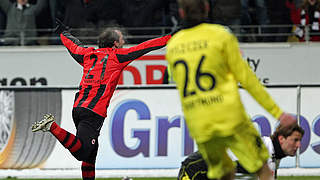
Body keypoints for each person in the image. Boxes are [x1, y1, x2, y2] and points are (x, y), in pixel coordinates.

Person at [165, 0, 297, 179]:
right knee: (264, 170)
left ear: (180, 13)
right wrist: (278, 113)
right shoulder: (220, 35)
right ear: (207, 8)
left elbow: (179, 85)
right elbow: (247, 79)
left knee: (225, 174)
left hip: (201, 123)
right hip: (230, 117)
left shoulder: (173, 46)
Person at [31, 19, 172, 180]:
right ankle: (52, 126)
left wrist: (63, 33)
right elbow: (146, 47)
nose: (124, 42)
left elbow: (73, 45)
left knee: (90, 155)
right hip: (93, 112)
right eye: (121, 39)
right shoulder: (117, 57)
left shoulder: (87, 54)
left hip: (78, 109)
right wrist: (171, 37)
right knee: (83, 152)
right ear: (114, 44)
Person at [177, 123, 305, 180]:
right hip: (194, 169)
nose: (298, 145)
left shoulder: (273, 155)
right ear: (282, 139)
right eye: (295, 140)